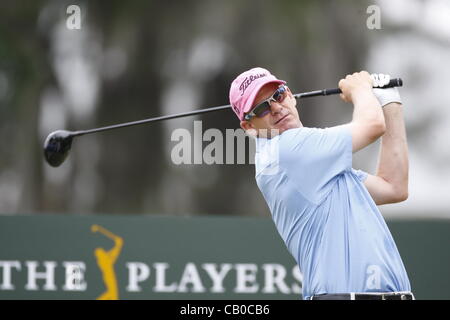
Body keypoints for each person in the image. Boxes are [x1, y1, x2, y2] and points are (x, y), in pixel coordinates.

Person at [229, 67, 413, 300]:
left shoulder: (318, 165)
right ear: (249, 127)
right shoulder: (286, 150)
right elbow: (372, 126)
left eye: (278, 95)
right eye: (261, 108)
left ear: (291, 95)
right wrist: (360, 89)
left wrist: (389, 101)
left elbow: (393, 187)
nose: (276, 107)